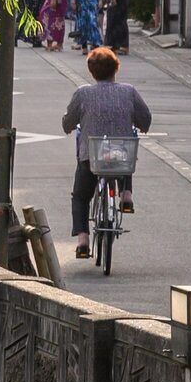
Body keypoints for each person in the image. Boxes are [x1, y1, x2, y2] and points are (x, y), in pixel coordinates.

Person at [63, 47, 153, 258]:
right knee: (124, 148)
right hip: (120, 156)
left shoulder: (83, 93)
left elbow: (68, 121)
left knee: (81, 196)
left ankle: (83, 239)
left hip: (91, 157)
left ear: (92, 71)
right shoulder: (128, 91)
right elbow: (145, 118)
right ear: (116, 68)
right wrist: (139, 124)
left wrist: (67, 125)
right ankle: (126, 194)